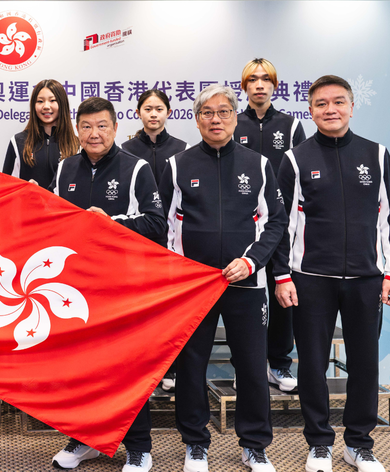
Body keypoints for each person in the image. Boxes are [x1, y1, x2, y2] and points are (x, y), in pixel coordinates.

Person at [272, 75, 390, 472]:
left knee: (364, 363)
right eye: (321, 104)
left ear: (351, 106)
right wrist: (281, 276)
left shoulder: (377, 155)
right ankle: (318, 444)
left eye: (338, 102)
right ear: (310, 110)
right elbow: (283, 225)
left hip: (366, 279)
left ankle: (359, 445)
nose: (330, 110)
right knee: (312, 363)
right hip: (311, 279)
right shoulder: (295, 159)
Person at [159, 85, 286, 472]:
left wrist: (251, 263)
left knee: (250, 364)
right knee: (191, 365)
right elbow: (164, 227)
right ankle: (196, 444)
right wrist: (182, 274)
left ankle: (254, 445)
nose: (216, 119)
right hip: (194, 287)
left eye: (224, 112)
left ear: (235, 116)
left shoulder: (259, 164)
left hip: (246, 283)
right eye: (208, 113)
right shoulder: (177, 165)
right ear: (197, 119)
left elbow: (275, 222)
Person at [49, 97, 166, 472]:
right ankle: (85, 438)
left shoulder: (137, 169)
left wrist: (110, 223)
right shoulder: (66, 167)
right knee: (81, 370)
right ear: (77, 130)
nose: (94, 133)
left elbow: (156, 225)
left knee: (128, 369)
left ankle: (138, 447)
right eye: (86, 126)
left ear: (115, 128)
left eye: (102, 125)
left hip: (123, 288)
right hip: (76, 288)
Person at [234, 58, 307, 393]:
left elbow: (301, 170)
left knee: (282, 288)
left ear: (275, 85)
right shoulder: (233, 122)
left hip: (282, 221)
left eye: (266, 79)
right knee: (243, 297)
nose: (259, 85)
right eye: (253, 79)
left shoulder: (290, 126)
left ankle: (279, 364)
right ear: (244, 86)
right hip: (243, 224)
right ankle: (246, 367)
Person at [120, 88, 188, 392]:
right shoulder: (125, 149)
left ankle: (169, 368)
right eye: (147, 109)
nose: (153, 114)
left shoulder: (183, 148)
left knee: (168, 309)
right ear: (138, 113)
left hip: (171, 239)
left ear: (168, 113)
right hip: (136, 238)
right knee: (139, 310)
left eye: (159, 109)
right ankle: (140, 366)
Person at [2, 79, 79, 187]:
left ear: (62, 104)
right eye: (40, 101)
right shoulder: (18, 141)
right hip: (28, 203)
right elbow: (6, 185)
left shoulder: (77, 145)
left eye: (52, 100)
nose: (46, 106)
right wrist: (25, 188)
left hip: (60, 204)